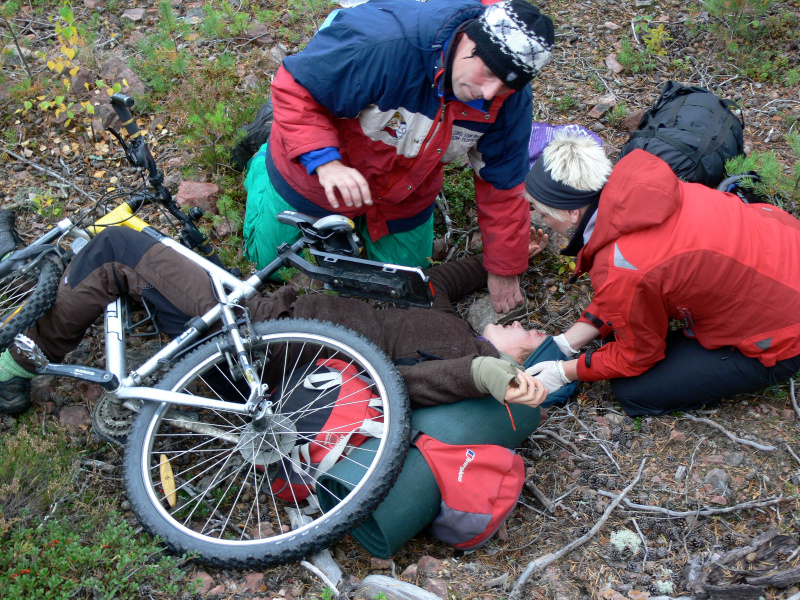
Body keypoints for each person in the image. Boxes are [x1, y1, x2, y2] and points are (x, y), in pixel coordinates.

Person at [0, 226, 555, 416]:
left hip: (265, 335)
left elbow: (409, 385)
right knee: (158, 252)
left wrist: (491, 374)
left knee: (116, 249)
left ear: (517, 360)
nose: (527, 326)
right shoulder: (441, 311)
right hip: (268, 314)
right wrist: (510, 256)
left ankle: (14, 367)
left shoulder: (465, 357)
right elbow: (456, 275)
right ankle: (42, 286)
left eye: (533, 337)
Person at [241, 0, 554, 314]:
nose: (489, 93)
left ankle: (360, 222)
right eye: (487, 73)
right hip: (320, 174)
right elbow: (294, 88)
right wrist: (325, 161)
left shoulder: (508, 98)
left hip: (403, 193)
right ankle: (266, 157)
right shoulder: (383, 44)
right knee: (273, 265)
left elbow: (501, 185)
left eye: (505, 86)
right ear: (469, 40)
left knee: (402, 286)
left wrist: (503, 266)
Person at [523, 133, 800, 416]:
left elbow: (638, 355)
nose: (544, 221)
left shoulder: (621, 265)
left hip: (786, 331)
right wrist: (569, 342)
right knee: (619, 341)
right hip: (785, 249)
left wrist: (565, 372)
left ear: (571, 212)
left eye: (544, 214)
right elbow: (635, 283)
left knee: (634, 391)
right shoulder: (642, 185)